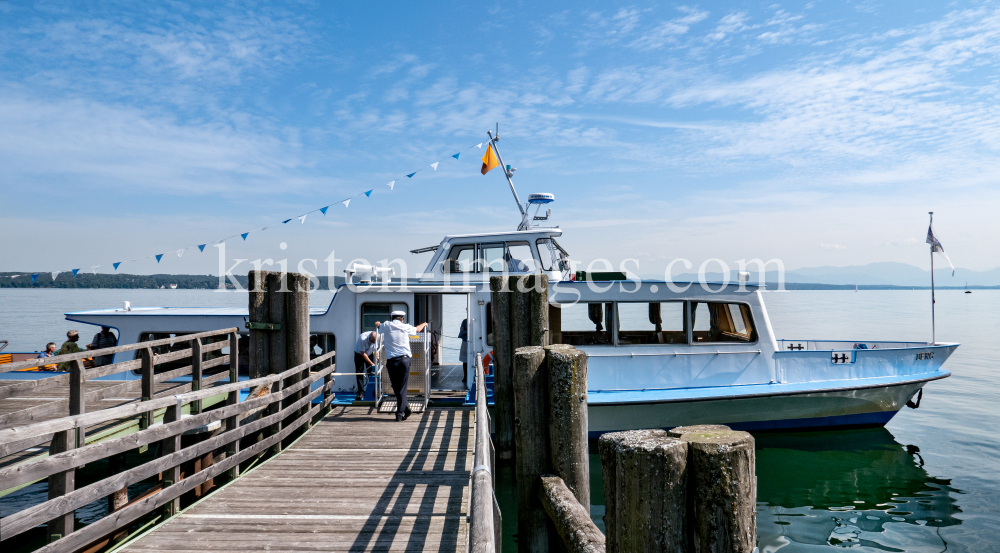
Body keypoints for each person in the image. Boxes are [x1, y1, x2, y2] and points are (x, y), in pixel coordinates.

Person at [377, 311, 428, 421]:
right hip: (404, 360)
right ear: (402, 319)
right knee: (401, 387)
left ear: (392, 318)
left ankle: (400, 413)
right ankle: (406, 408)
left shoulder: (386, 325)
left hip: (392, 362)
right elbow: (417, 330)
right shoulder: (405, 327)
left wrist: (377, 323)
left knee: (396, 386)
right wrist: (424, 324)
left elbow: (379, 326)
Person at [354, 326, 380, 400]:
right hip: (360, 354)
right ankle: (361, 392)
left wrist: (377, 356)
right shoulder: (363, 339)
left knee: (371, 372)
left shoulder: (378, 336)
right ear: (370, 339)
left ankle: (373, 391)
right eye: (373, 342)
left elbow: (377, 348)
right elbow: (363, 353)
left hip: (371, 352)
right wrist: (372, 364)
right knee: (360, 372)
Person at [458, 318, 469, 384]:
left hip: (476, 342)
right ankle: (465, 376)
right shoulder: (465, 321)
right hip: (465, 341)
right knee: (465, 360)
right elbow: (462, 331)